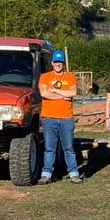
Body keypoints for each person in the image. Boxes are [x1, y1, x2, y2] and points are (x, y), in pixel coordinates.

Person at [38, 49, 82, 184]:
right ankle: (46, 174)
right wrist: (64, 95)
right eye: (56, 61)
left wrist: (55, 90)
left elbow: (73, 92)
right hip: (49, 118)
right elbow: (44, 93)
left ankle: (74, 173)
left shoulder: (70, 77)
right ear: (52, 62)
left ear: (63, 64)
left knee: (68, 147)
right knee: (50, 148)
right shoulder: (44, 77)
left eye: (60, 62)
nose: (58, 64)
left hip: (66, 118)